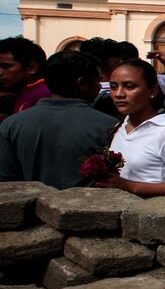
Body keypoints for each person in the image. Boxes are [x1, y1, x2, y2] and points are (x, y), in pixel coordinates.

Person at [0, 51, 117, 188]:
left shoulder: (12, 125)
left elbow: (6, 180)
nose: (99, 87)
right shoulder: (109, 125)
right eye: (98, 81)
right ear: (82, 83)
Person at [98, 59, 165, 196]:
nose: (119, 94)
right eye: (114, 87)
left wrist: (129, 186)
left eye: (129, 87)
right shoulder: (121, 125)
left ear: (153, 90)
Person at [0, 37, 49, 114]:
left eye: (6, 66)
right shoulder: (23, 90)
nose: (0, 72)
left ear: (32, 68)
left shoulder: (45, 95)